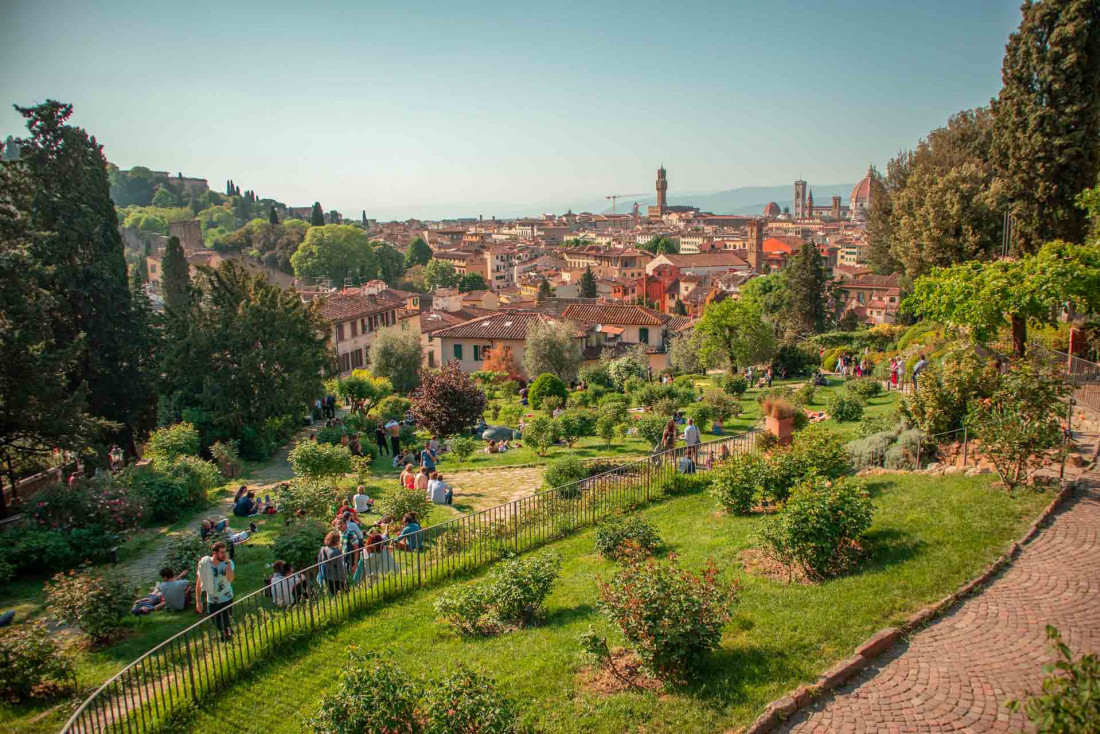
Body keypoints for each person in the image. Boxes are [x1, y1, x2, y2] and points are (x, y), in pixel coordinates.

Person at [195, 542, 235, 641]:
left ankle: (227, 637)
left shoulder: (228, 562)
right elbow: (200, 582)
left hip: (227, 597)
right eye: (221, 552)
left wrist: (228, 564)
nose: (224, 554)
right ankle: (226, 631)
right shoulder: (205, 564)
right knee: (216, 622)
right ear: (214, 552)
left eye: (225, 552)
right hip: (212, 600)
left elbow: (230, 579)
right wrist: (198, 600)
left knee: (226, 621)